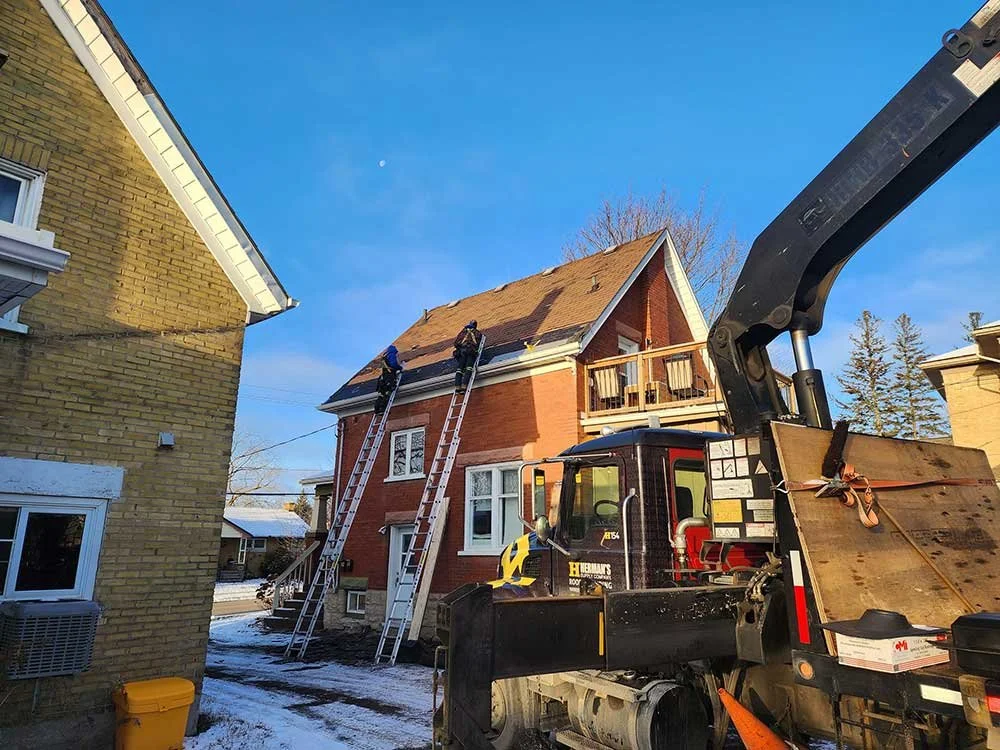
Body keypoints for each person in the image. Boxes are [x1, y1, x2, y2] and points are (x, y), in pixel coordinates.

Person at [453, 320, 483, 394]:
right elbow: (478, 343)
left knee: (459, 370)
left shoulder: (463, 332)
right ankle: (464, 386)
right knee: (468, 369)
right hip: (470, 352)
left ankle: (457, 387)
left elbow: (456, 343)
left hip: (461, 353)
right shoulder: (477, 333)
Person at [374, 345, 403, 414]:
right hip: (389, 377)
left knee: (382, 394)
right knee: (387, 393)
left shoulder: (385, 357)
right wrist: (400, 367)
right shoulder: (392, 354)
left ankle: (378, 409)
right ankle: (382, 408)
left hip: (383, 378)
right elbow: (393, 364)